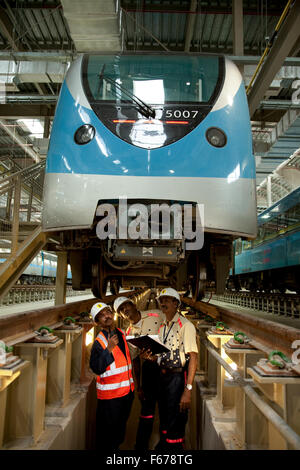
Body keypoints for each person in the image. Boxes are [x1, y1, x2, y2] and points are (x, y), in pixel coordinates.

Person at [144, 287, 198, 451]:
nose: (163, 303)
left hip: (177, 378)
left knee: (176, 418)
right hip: (163, 377)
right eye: (161, 300)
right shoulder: (163, 325)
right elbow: (163, 352)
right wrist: (152, 357)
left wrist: (187, 390)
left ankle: (174, 449)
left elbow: (193, 357)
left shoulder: (185, 325)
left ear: (176, 303)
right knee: (165, 415)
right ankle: (164, 444)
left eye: (167, 300)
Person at [113, 295, 164, 451]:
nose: (125, 310)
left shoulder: (156, 313)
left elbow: (174, 328)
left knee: (166, 408)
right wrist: (138, 385)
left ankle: (166, 445)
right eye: (121, 310)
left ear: (133, 305)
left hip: (167, 367)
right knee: (146, 411)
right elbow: (135, 360)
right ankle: (141, 446)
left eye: (126, 306)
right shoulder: (129, 333)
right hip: (149, 369)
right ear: (121, 316)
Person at [89, 301, 134, 452]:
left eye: (108, 312)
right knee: (107, 438)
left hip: (126, 394)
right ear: (97, 323)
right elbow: (96, 367)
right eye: (101, 316)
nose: (106, 316)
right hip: (110, 398)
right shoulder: (99, 343)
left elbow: (126, 360)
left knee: (119, 433)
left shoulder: (121, 333)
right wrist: (108, 350)